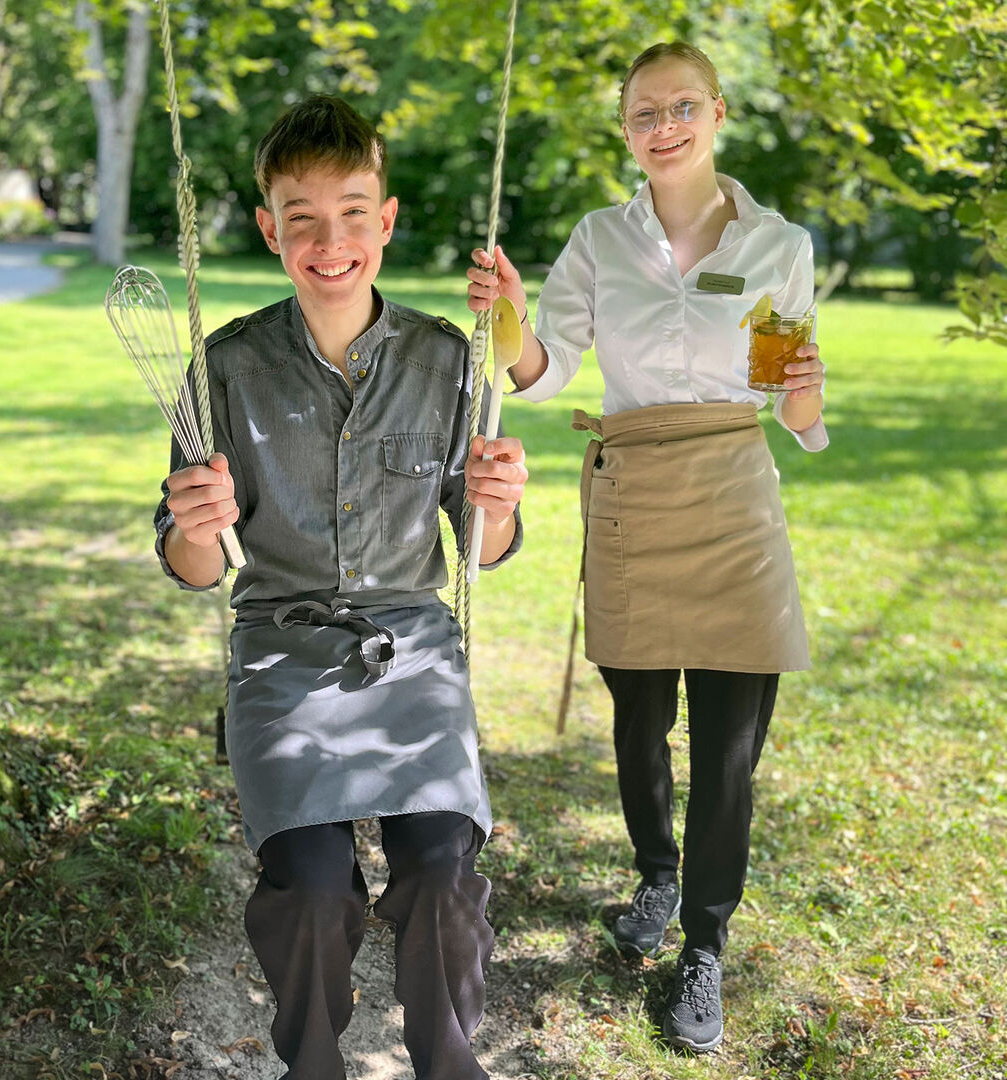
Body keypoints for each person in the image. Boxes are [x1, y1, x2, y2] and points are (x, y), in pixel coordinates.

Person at [153, 95, 526, 1080]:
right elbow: (192, 567)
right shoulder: (222, 367)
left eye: (352, 211)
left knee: (442, 871)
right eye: (302, 216)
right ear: (270, 228)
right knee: (313, 886)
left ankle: (449, 1063)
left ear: (386, 219)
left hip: (411, 645)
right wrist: (199, 526)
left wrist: (500, 500)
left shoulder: (448, 361)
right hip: (280, 649)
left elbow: (483, 548)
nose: (330, 240)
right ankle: (310, 1064)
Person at [466, 41, 826, 1053]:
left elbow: (781, 395)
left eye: (679, 108)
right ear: (623, 130)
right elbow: (542, 371)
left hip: (730, 489)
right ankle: (656, 876)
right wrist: (508, 320)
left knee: (725, 743)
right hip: (630, 486)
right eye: (640, 114)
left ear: (715, 115)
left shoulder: (775, 244)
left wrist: (804, 394)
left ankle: (702, 944)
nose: (660, 127)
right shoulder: (597, 239)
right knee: (637, 717)